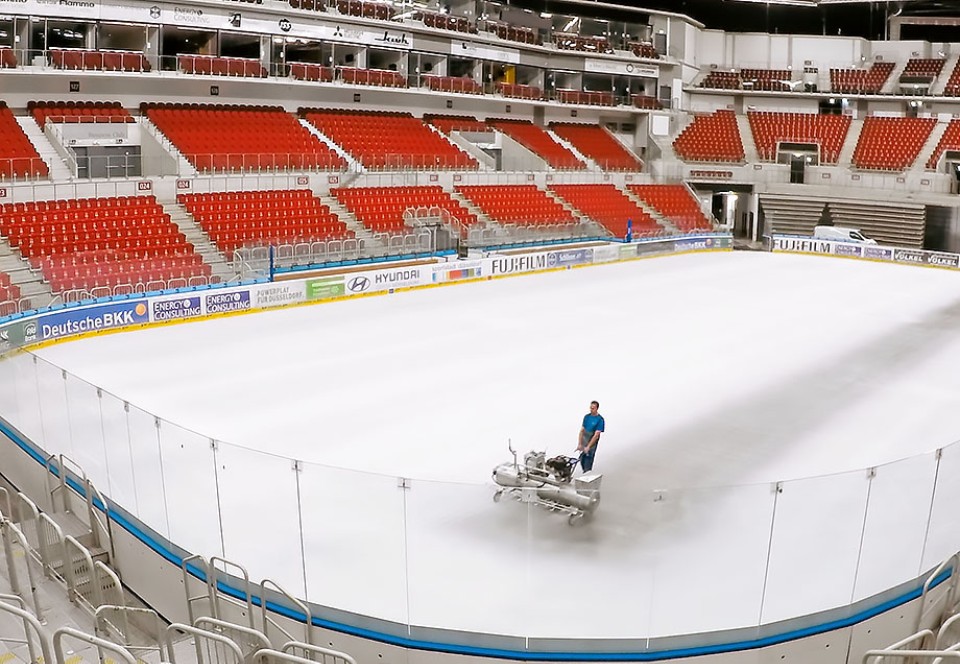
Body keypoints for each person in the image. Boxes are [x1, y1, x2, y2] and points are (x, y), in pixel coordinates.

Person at [577, 400, 604, 472]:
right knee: (582, 460)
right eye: (590, 408)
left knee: (588, 462)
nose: (591, 409)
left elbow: (596, 435)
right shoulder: (587, 417)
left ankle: (587, 474)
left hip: (592, 443)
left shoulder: (600, 420)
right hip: (584, 441)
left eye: (593, 408)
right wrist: (580, 444)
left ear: (597, 408)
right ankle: (584, 472)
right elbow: (582, 431)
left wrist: (588, 447)